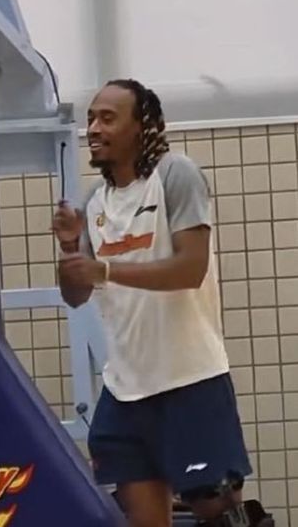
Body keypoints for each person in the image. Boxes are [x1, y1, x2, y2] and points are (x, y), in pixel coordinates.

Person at [52, 79, 273, 527]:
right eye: (91, 119)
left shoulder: (175, 175)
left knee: (218, 511)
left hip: (189, 379)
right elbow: (76, 295)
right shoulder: (94, 202)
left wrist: (104, 270)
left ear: (141, 127)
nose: (93, 129)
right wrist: (71, 247)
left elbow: (190, 269)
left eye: (108, 118)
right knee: (142, 518)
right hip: (125, 390)